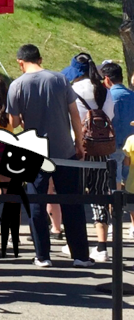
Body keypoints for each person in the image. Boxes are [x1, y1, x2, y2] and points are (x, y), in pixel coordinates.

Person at [7, 44, 93, 268]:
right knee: (72, 201)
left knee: (36, 201)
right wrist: (79, 143)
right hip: (64, 148)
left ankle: (42, 255)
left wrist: (25, 120)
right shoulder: (60, 80)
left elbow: (13, 123)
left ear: (20, 62)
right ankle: (80, 255)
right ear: (41, 59)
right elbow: (74, 114)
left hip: (34, 151)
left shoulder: (17, 85)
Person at [64, 53, 114, 262]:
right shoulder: (104, 90)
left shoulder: (73, 90)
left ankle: (76, 243)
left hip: (80, 149)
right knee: (100, 194)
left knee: (76, 196)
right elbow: (110, 116)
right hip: (102, 150)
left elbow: (70, 121)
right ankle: (102, 246)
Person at [100, 62, 134, 196]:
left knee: (114, 182)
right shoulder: (132, 96)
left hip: (113, 145)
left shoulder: (108, 98)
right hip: (131, 147)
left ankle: (116, 212)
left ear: (107, 79)